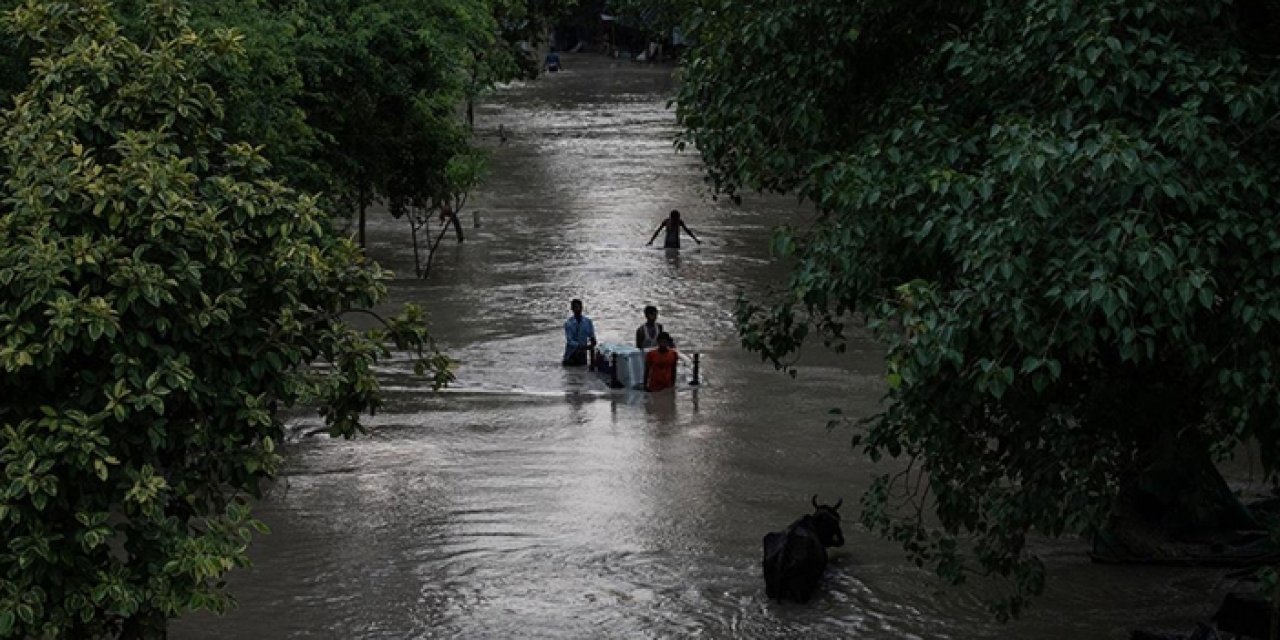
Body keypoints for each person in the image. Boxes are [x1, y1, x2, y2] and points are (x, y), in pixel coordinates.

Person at [562, 298, 596, 366]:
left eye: (579, 307)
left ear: (582, 308)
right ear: (572, 309)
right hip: (571, 355)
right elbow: (570, 341)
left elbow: (592, 337)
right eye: (575, 308)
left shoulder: (588, 322)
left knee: (582, 372)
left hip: (582, 355)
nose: (577, 309)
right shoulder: (568, 323)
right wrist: (583, 347)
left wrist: (593, 342)